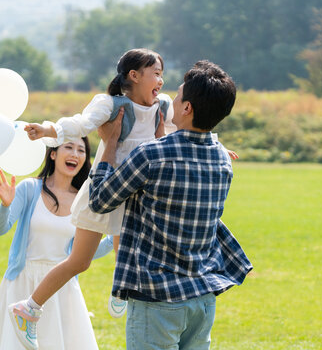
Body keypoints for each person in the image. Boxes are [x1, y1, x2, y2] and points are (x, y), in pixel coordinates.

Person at [8, 48, 177, 331]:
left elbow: (185, 131)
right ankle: (29, 308)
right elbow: (80, 125)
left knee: (131, 249)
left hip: (143, 191)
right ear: (134, 76)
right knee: (79, 261)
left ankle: (120, 289)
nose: (161, 81)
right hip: (105, 188)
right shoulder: (110, 104)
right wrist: (49, 130)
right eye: (156, 74)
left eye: (162, 75)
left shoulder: (163, 106)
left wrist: (216, 148)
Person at [88, 60, 253, 349]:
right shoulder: (223, 159)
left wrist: (110, 144)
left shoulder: (151, 154)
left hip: (157, 300)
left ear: (187, 108)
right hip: (202, 297)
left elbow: (100, 201)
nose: (171, 101)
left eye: (177, 96)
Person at [0, 137, 112, 350]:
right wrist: (5, 205)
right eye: (69, 147)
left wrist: (116, 237)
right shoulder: (30, 188)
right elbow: (0, 229)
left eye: (81, 150)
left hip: (62, 285)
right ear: (53, 154)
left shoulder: (85, 199)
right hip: (22, 281)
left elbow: (84, 253)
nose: (75, 154)